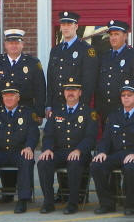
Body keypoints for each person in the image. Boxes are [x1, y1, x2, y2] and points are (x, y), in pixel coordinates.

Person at [0, 28, 46, 202]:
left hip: (26, 110)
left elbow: (40, 88)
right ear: (5, 45)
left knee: (24, 150)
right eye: (10, 43)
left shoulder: (32, 63)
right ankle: (8, 191)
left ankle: (24, 192)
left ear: (22, 44)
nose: (13, 46)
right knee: (4, 145)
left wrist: (39, 112)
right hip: (2, 110)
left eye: (17, 43)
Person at [90, 80, 134, 216]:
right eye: (123, 95)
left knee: (130, 168)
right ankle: (107, 203)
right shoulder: (114, 115)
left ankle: (129, 205)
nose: (126, 98)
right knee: (96, 165)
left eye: (129, 95)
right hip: (118, 154)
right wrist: (102, 152)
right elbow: (106, 139)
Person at [37, 77, 98, 214]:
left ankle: (73, 203)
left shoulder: (89, 113)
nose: (71, 93)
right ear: (64, 93)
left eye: (74, 90)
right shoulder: (56, 112)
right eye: (68, 90)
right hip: (59, 152)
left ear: (80, 93)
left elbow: (90, 137)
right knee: (43, 163)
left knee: (74, 164)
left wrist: (79, 150)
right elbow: (48, 134)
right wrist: (47, 149)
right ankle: (48, 202)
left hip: (80, 154)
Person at [0, 82, 40, 214]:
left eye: (12, 96)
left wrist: (29, 147)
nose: (9, 98)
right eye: (6, 96)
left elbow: (34, 133)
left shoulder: (28, 113)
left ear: (18, 97)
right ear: (2, 98)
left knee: (26, 158)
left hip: (19, 151)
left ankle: (23, 200)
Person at [45, 10, 98, 115]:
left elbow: (89, 83)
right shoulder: (55, 50)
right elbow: (50, 80)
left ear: (76, 26)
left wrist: (82, 106)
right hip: (57, 105)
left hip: (76, 105)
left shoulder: (86, 49)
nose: (65, 28)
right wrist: (48, 104)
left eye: (69, 24)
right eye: (63, 24)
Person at [95, 19, 134, 120]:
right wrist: (98, 108)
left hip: (124, 110)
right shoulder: (104, 57)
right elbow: (99, 84)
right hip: (105, 110)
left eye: (116, 34)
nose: (113, 37)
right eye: (111, 35)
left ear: (125, 36)